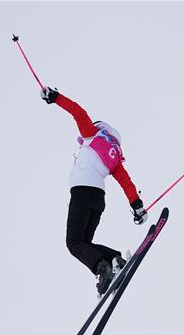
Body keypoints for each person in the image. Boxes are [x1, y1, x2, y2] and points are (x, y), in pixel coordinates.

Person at [41, 86, 148, 296]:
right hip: (98, 198)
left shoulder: (92, 134)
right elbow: (126, 183)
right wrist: (137, 206)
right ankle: (115, 259)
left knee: (73, 243)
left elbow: (78, 112)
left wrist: (55, 97)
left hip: (82, 192)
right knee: (84, 244)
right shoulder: (114, 157)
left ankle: (103, 269)